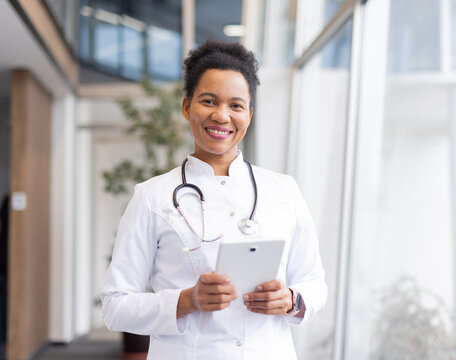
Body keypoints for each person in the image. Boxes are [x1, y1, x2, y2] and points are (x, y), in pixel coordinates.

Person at [100, 40, 327, 360]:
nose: (222, 115)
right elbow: (114, 305)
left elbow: (314, 282)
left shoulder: (284, 191)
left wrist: (292, 299)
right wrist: (186, 301)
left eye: (236, 105)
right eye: (209, 101)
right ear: (186, 107)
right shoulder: (152, 197)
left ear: (249, 115)